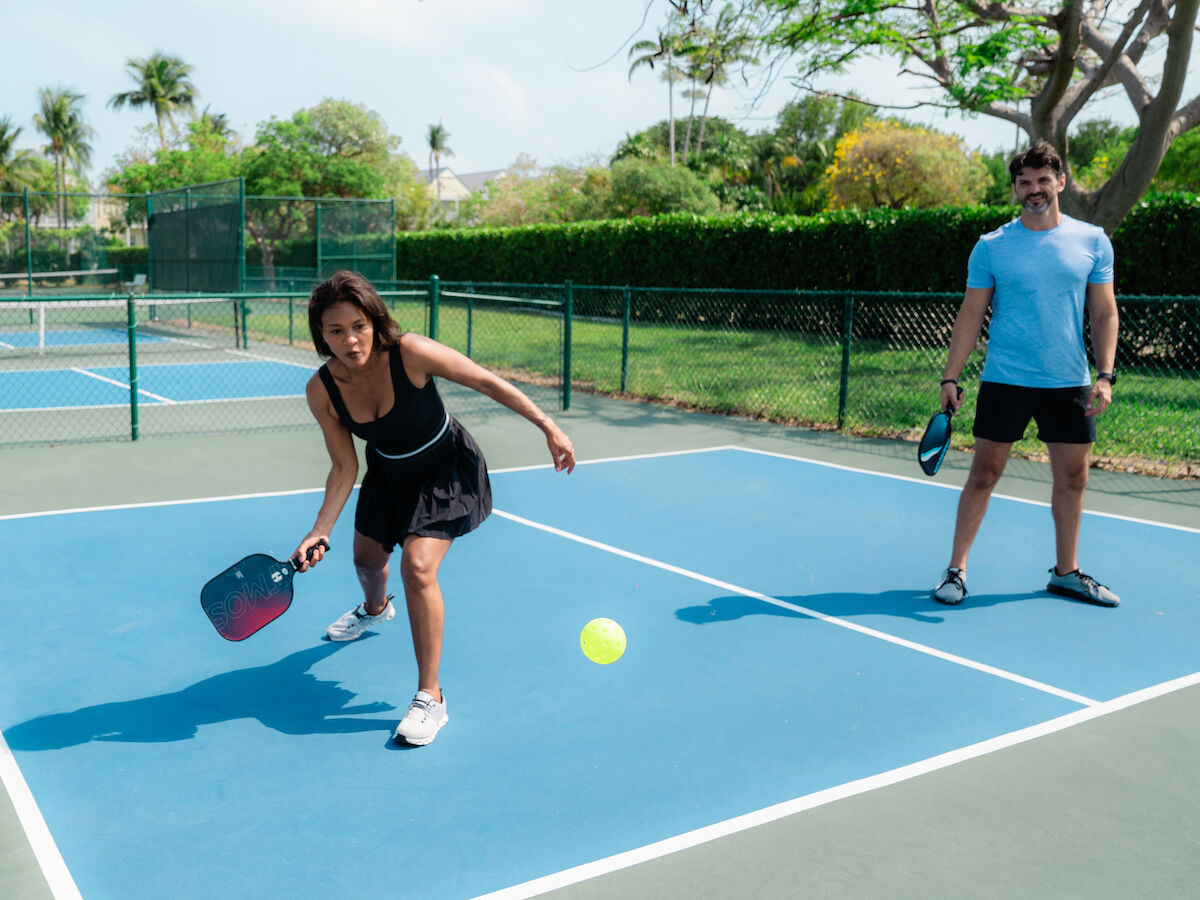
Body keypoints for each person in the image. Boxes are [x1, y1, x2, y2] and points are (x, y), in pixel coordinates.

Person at [292, 271, 576, 746]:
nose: (350, 339)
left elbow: (487, 381)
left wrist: (548, 425)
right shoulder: (322, 390)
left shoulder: (411, 352)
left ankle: (431, 698)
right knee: (366, 563)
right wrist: (318, 530)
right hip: (388, 473)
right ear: (320, 334)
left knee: (417, 567)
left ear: (374, 321)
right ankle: (375, 609)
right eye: (335, 330)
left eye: (358, 325)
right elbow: (344, 466)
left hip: (445, 467)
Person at [932, 140, 1120, 608]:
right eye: (1024, 183)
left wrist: (1105, 375)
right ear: (1015, 189)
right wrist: (950, 377)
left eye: (1042, 181)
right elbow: (971, 315)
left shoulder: (1093, 240)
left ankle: (1066, 572)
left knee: (1074, 479)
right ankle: (955, 571)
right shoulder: (992, 247)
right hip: (1006, 379)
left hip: (1070, 381)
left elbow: (1104, 313)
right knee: (984, 473)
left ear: (1060, 182)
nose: (1034, 190)